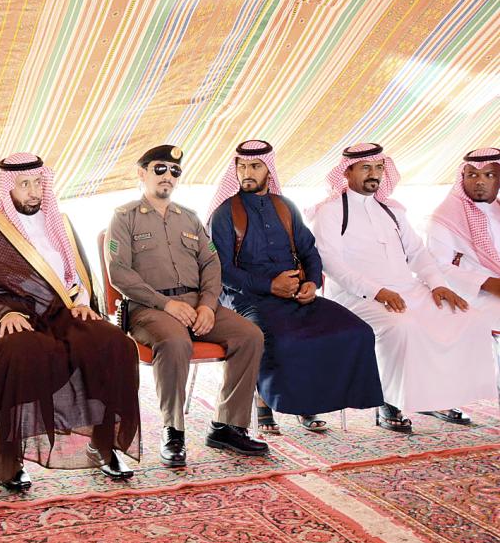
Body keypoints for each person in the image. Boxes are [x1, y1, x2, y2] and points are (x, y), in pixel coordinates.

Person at [0, 153, 141, 490]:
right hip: (16, 315)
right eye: (24, 184)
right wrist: (6, 312)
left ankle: (104, 446)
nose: (34, 192)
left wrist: (81, 302)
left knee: (114, 344)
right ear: (8, 188)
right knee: (19, 354)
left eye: (38, 183)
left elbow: (77, 273)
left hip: (62, 311)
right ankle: (11, 458)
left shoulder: (59, 220)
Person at [310, 143, 495, 431]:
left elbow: (418, 252)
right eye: (366, 168)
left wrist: (437, 285)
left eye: (378, 167)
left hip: (407, 289)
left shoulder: (391, 210)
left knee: (468, 318)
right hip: (355, 296)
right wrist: (378, 292)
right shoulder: (331, 212)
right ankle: (388, 402)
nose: (374, 174)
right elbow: (331, 263)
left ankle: (437, 397)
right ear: (346, 172)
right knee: (402, 325)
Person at [106, 144, 267, 467]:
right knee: (175, 342)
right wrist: (166, 304)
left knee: (250, 335)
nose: (168, 176)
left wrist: (207, 305)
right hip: (149, 308)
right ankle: (173, 431)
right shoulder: (124, 217)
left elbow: (211, 264)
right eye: (159, 169)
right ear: (142, 174)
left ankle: (227, 426)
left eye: (174, 171)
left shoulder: (190, 218)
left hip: (196, 304)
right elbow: (118, 272)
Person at [208, 140, 382, 434]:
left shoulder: (285, 207)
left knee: (357, 331)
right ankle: (263, 402)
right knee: (281, 339)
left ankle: (311, 399)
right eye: (242, 167)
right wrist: (270, 286)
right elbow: (222, 271)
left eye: (255, 166)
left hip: (295, 294)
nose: (247, 173)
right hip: (245, 299)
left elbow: (310, 251)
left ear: (269, 170)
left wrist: (311, 283)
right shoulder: (225, 213)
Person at [426, 147, 500, 323]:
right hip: (474, 293)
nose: (480, 181)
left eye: (489, 175)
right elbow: (438, 267)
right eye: (472, 175)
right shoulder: (446, 217)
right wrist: (490, 284)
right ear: (463, 178)